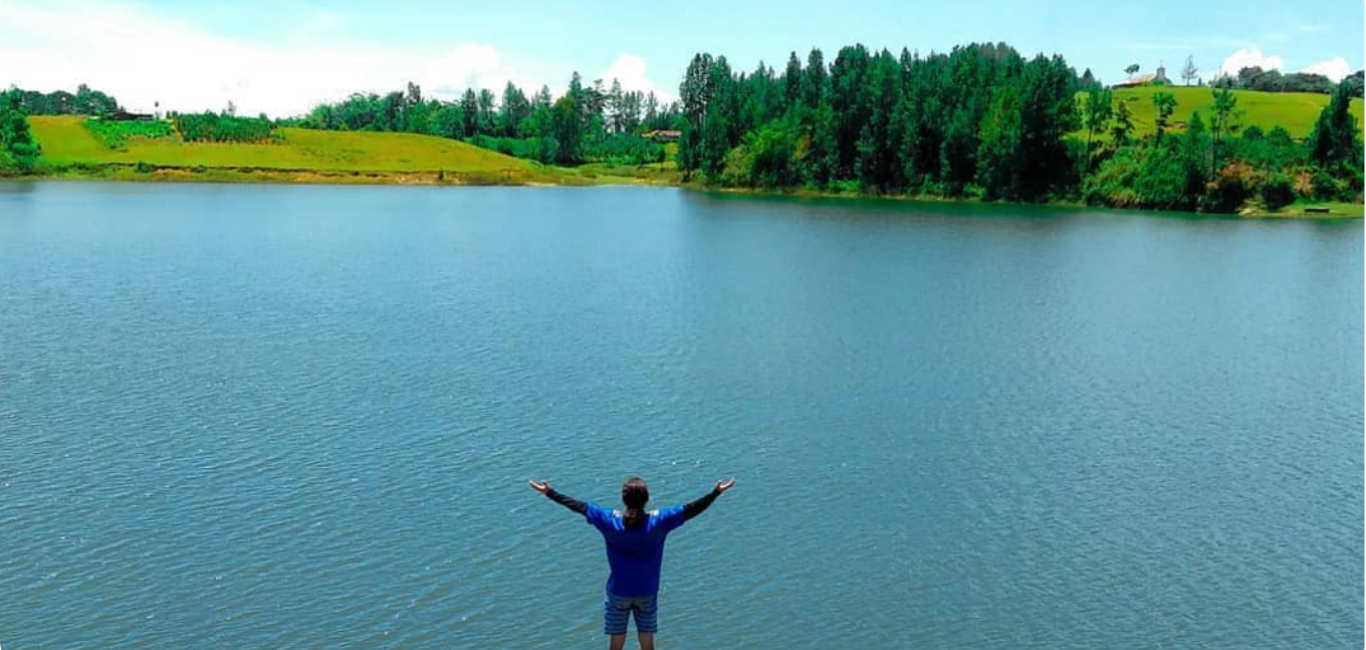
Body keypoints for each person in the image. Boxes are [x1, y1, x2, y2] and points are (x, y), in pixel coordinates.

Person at [528, 475, 736, 650]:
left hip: (618, 591)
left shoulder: (609, 520)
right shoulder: (659, 521)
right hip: (647, 591)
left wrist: (550, 492)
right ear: (647, 499)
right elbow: (691, 509)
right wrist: (715, 492)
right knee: (647, 643)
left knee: (616, 644)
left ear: (623, 498)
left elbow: (579, 507)